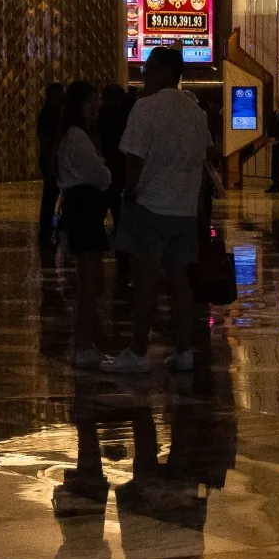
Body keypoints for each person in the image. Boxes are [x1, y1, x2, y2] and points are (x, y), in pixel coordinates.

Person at [104, 47, 213, 374]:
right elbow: (208, 155)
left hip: (148, 207)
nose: (143, 75)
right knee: (181, 282)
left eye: (148, 68)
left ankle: (138, 352)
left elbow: (133, 159)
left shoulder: (145, 109)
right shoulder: (197, 113)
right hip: (184, 210)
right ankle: (183, 349)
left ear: (165, 72)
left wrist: (132, 192)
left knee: (146, 281)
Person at [57, 79, 113, 368]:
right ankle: (83, 344)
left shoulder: (75, 135)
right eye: (92, 101)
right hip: (84, 210)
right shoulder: (78, 137)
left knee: (91, 278)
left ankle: (87, 340)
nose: (97, 106)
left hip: (82, 210)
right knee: (89, 280)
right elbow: (101, 174)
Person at [35, 81, 64, 246]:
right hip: (50, 160)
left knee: (51, 194)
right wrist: (50, 160)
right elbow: (45, 139)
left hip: (50, 159)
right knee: (50, 193)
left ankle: (47, 225)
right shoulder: (48, 114)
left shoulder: (51, 112)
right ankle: (46, 226)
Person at [98, 83, 132, 223]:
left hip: (103, 161)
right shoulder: (124, 114)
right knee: (117, 202)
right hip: (119, 162)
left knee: (103, 201)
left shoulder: (99, 114)